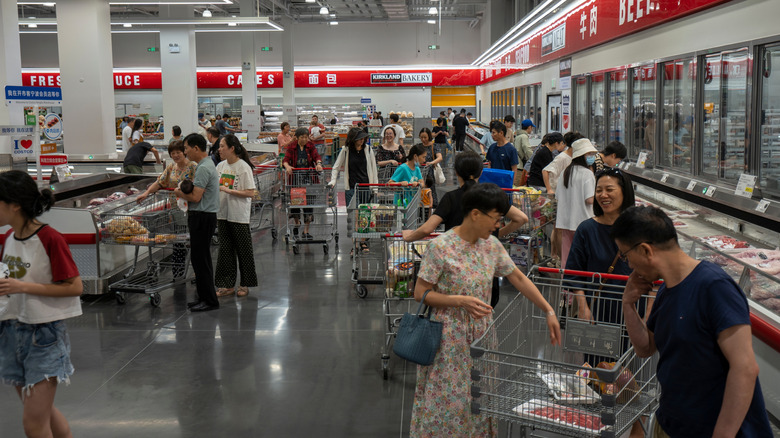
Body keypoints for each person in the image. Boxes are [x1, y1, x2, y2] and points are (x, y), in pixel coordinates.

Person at [409, 183, 561, 437]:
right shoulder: (441, 247)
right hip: (449, 337)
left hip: (482, 336)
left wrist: (548, 310)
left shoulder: (491, 245)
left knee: (480, 397)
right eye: (496, 218)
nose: (498, 225)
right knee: (450, 400)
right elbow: (420, 293)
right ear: (475, 214)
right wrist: (459, 301)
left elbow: (518, 277)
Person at [613, 206, 773, 438]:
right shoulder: (666, 290)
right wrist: (628, 303)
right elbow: (645, 348)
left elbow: (745, 369)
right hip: (673, 423)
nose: (628, 265)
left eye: (626, 255)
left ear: (646, 250)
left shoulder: (714, 287)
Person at [0, 170, 82, 438]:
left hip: (43, 336)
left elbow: (75, 286)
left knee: (34, 423)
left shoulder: (49, 238)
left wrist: (22, 287)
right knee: (41, 413)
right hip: (11, 331)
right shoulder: (9, 238)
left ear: (14, 205)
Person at [174, 133, 221, 312]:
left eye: (186, 148)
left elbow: (195, 197)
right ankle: (204, 297)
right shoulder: (207, 164)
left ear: (195, 148)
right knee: (200, 258)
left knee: (200, 259)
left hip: (202, 216)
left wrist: (178, 193)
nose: (185, 152)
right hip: (204, 216)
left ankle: (209, 300)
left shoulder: (203, 168)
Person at [215, 134, 258, 299]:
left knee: (243, 250)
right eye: (219, 146)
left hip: (239, 215)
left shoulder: (243, 167)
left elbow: (250, 193)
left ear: (232, 148)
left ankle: (245, 283)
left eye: (222, 146)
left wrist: (229, 190)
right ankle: (227, 284)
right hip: (222, 214)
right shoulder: (220, 166)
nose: (219, 149)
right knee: (225, 250)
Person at [555, 138, 598, 270]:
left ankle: (567, 281)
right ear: (581, 156)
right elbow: (589, 200)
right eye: (589, 154)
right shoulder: (587, 174)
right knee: (584, 256)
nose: (592, 157)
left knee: (567, 256)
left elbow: (558, 196)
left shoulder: (565, 172)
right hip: (583, 222)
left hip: (566, 222)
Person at [282, 128, 323, 240]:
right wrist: (287, 166)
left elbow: (317, 156)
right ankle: (297, 222)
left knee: (308, 205)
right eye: (302, 137)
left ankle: (306, 231)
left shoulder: (310, 146)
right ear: (297, 137)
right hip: (295, 180)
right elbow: (285, 160)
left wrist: (318, 164)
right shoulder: (292, 147)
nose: (304, 139)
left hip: (309, 179)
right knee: (296, 204)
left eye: (306, 137)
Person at [330, 128, 378, 208]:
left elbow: (374, 170)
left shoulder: (368, 150)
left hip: (366, 187)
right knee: (352, 212)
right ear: (353, 139)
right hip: (351, 187)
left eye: (363, 138)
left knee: (365, 212)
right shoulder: (346, 150)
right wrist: (333, 180)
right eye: (359, 138)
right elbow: (336, 167)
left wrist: (375, 188)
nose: (362, 140)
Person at [417, 128, 443, 209]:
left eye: (425, 137)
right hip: (419, 172)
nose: (423, 139)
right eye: (421, 137)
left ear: (429, 136)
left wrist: (432, 162)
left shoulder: (434, 146)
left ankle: (432, 207)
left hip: (430, 173)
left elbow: (440, 157)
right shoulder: (418, 147)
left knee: (430, 191)